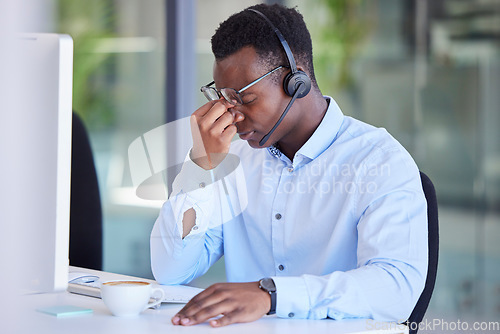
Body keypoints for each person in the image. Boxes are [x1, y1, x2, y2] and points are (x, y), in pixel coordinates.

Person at [150, 3, 428, 328]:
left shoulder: (378, 161)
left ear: (296, 80)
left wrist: (273, 295)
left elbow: (396, 288)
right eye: (224, 99)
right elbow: (171, 270)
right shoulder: (234, 163)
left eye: (244, 98)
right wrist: (200, 167)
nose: (232, 115)